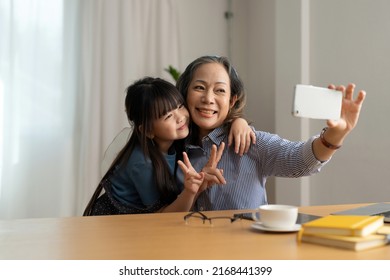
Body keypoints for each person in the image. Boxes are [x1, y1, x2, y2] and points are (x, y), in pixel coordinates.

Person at [176, 55, 366, 211]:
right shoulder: (170, 145)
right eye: (199, 87)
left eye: (220, 90)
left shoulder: (250, 142)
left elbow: (300, 160)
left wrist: (336, 134)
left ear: (232, 101)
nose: (208, 98)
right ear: (185, 93)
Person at [83, 77, 252, 216]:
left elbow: (216, 119)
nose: (180, 118)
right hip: (117, 224)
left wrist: (239, 122)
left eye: (180, 106)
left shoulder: (178, 135)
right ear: (148, 130)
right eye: (168, 116)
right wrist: (191, 191)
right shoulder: (142, 162)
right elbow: (163, 217)